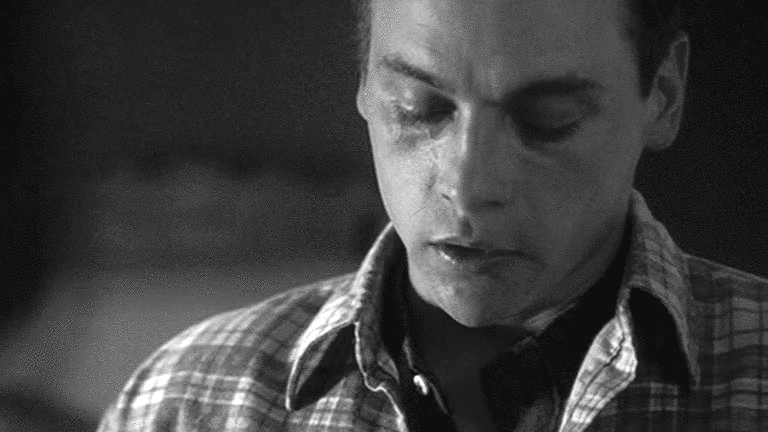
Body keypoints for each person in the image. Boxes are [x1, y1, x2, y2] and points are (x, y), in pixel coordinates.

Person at [97, 0, 768, 430]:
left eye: (547, 122)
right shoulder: (189, 402)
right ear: (364, 84)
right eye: (418, 109)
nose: (468, 188)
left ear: (664, 95)